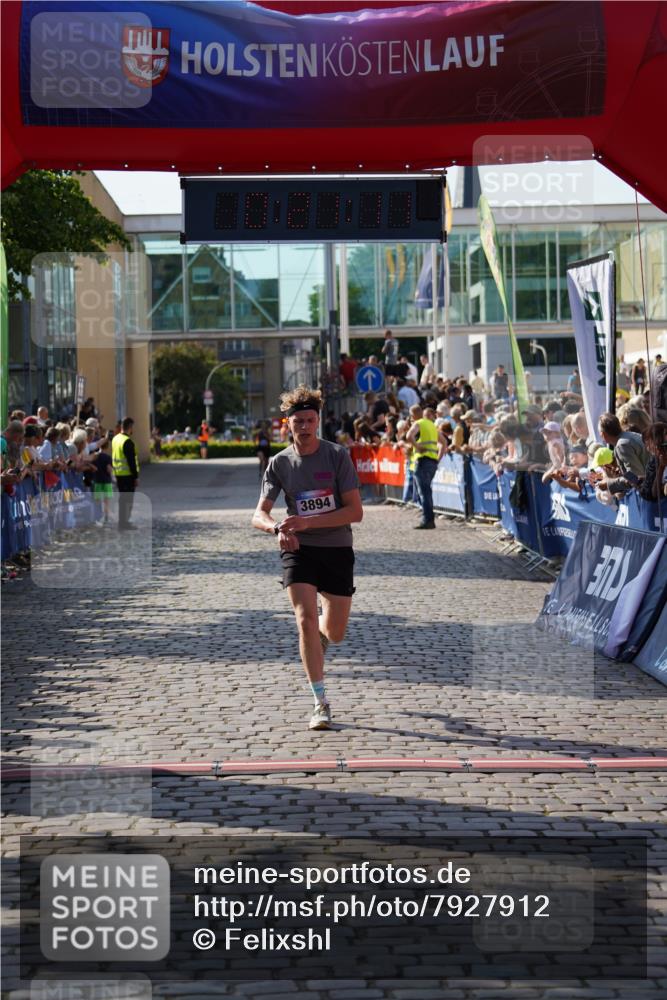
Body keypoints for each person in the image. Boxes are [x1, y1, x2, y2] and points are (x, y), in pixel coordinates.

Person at [251, 385, 362, 731]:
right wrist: (277, 529)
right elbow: (258, 514)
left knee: (336, 632)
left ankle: (323, 638)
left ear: (318, 421)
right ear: (288, 423)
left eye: (310, 420)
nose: (304, 426)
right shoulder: (279, 463)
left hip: (337, 547)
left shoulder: (337, 456)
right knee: (304, 621)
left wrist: (307, 521)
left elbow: (355, 512)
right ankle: (320, 701)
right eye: (298, 421)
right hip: (298, 549)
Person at [406, 405, 447, 529]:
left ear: (414, 415)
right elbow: (444, 442)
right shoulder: (432, 425)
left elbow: (409, 436)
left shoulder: (418, 423)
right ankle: (429, 519)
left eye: (411, 415)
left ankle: (428, 520)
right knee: (426, 491)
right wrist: (437, 459)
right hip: (432, 462)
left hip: (422, 461)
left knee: (424, 493)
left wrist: (417, 446)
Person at [597, 412, 649, 495]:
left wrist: (609, 483)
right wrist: (620, 474)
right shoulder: (629, 437)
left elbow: (636, 478)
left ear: (603, 434)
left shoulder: (622, 445)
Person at [112, 417, 139, 529]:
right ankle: (124, 523)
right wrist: (136, 477)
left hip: (118, 474)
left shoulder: (116, 438)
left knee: (122, 499)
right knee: (128, 500)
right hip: (127, 475)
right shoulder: (127, 441)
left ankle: (122, 522)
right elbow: (131, 461)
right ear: (130, 427)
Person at [92, 436, 113, 525]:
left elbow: (93, 467)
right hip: (107, 481)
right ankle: (106, 517)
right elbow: (109, 469)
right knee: (106, 501)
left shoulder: (95, 456)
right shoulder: (108, 457)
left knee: (97, 500)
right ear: (107, 446)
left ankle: (97, 517)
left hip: (97, 480)